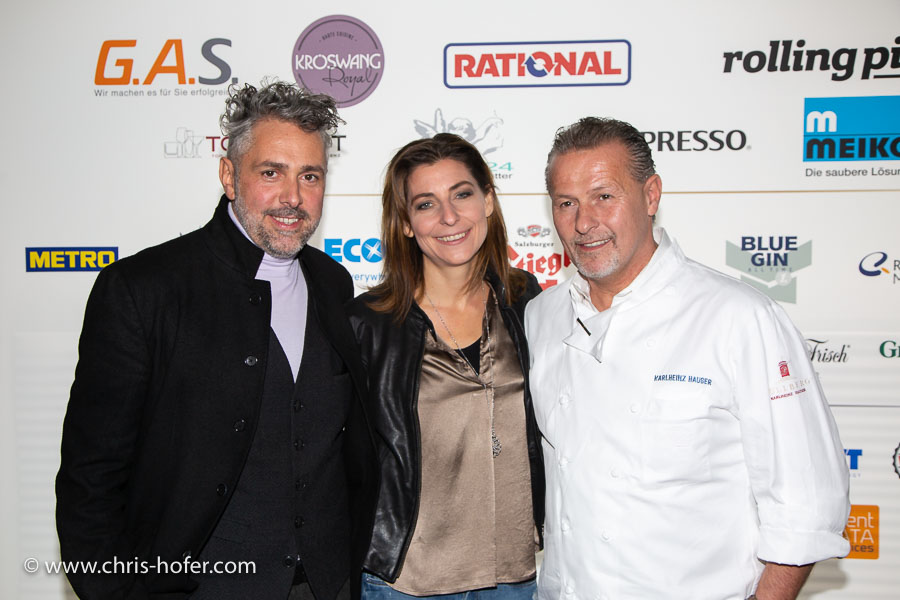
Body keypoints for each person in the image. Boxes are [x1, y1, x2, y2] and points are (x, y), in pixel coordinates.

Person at [56, 81, 377, 600]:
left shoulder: (332, 283)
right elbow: (90, 477)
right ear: (229, 175)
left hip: (327, 584)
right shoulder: (144, 290)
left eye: (309, 175)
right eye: (271, 172)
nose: (293, 197)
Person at [526, 117, 850, 600]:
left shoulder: (740, 317)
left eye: (604, 196)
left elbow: (806, 504)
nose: (584, 222)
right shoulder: (541, 316)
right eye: (566, 203)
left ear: (651, 195)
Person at [345, 133, 544, 599]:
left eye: (462, 194)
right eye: (426, 204)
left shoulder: (524, 300)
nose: (449, 217)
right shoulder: (368, 324)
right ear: (406, 223)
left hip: (513, 576)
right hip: (408, 582)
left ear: (488, 201)